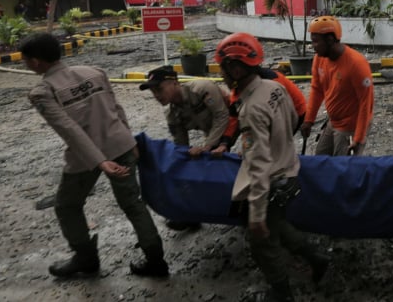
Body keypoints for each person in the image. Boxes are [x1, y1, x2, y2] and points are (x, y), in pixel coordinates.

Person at [20, 32, 169, 278]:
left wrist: (100, 161)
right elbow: (116, 109)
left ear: (36, 62)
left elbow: (69, 130)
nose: (26, 64)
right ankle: (156, 260)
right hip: (120, 147)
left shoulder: (42, 92)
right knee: (133, 205)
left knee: (67, 206)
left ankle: (85, 257)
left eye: (26, 60)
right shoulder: (94, 72)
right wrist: (128, 141)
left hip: (85, 158)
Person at [216, 32, 329, 302]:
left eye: (223, 68)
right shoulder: (273, 87)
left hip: (273, 181)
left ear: (235, 67)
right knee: (278, 226)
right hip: (289, 171)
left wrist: (255, 215)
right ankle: (317, 259)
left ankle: (282, 294)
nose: (222, 74)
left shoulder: (251, 109)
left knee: (263, 244)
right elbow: (291, 119)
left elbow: (257, 164)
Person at [139, 65, 230, 230]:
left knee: (240, 167)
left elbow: (222, 115)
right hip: (214, 135)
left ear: (174, 82)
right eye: (153, 92)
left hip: (236, 123)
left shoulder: (201, 88)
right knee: (193, 169)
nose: (157, 95)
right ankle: (191, 214)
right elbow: (181, 146)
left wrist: (207, 146)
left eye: (159, 89)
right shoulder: (172, 114)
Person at [299, 16, 374, 156]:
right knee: (320, 159)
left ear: (330, 40)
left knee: (343, 168)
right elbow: (317, 89)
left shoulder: (356, 64)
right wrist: (309, 120)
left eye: (316, 42)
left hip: (350, 126)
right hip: (333, 122)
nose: (312, 46)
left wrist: (358, 138)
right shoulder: (319, 59)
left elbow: (366, 103)